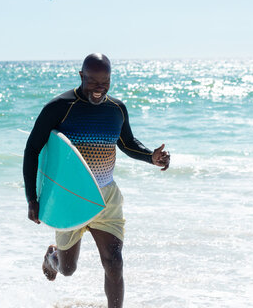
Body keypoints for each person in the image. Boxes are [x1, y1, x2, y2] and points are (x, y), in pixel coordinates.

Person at [23, 53, 170, 308]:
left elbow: (126, 143)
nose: (100, 89)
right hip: (70, 198)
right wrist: (32, 198)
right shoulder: (59, 107)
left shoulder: (116, 110)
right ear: (81, 76)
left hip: (106, 198)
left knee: (114, 262)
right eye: (93, 82)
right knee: (67, 269)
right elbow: (33, 149)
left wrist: (151, 157)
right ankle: (52, 258)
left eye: (105, 82)